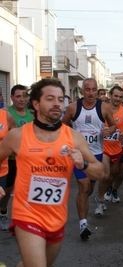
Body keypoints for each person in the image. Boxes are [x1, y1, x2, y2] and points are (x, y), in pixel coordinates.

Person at [0, 78, 104, 267]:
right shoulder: (17, 136)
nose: (57, 103)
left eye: (60, 99)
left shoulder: (73, 137)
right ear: (36, 104)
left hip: (57, 217)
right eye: (50, 99)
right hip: (27, 214)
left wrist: (83, 165)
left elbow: (100, 172)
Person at [62, 78, 116, 239]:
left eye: (94, 90)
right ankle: (83, 224)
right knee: (83, 186)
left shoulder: (104, 108)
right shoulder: (73, 108)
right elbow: (63, 127)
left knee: (90, 188)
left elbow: (113, 125)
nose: (91, 93)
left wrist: (109, 130)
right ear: (82, 91)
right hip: (79, 154)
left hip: (96, 154)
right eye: (87, 90)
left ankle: (90, 201)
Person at [1, 84, 34, 231]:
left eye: (24, 96)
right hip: (9, 160)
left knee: (27, 189)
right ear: (12, 97)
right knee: (7, 190)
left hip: (28, 160)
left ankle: (26, 218)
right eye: (18, 96)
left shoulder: (32, 115)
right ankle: (3, 212)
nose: (22, 99)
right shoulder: (6, 113)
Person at [96, 86, 123, 214]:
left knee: (112, 176)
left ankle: (109, 191)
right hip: (104, 148)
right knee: (105, 175)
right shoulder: (101, 109)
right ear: (110, 95)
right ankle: (100, 200)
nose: (118, 99)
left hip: (117, 148)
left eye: (120, 97)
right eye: (115, 96)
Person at [0, 107, 17, 230]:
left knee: (1, 197)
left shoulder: (6, 116)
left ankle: (2, 214)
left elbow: (17, 139)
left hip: (2, 169)